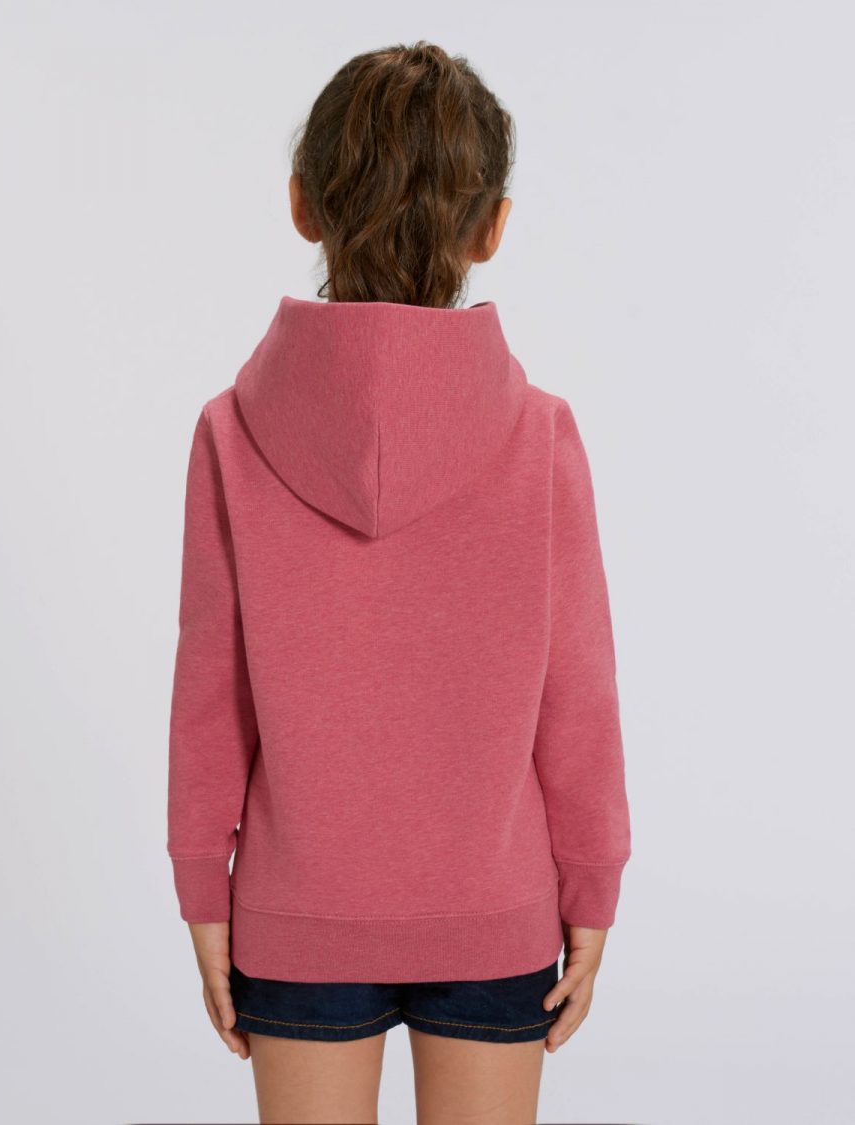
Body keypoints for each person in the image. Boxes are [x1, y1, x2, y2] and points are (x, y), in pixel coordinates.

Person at [166, 39, 632, 1125]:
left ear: (303, 205)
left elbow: (209, 696)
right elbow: (580, 694)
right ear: (491, 228)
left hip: (296, 911)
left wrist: (200, 882)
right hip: (496, 910)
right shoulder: (542, 439)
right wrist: (593, 878)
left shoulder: (231, 435)